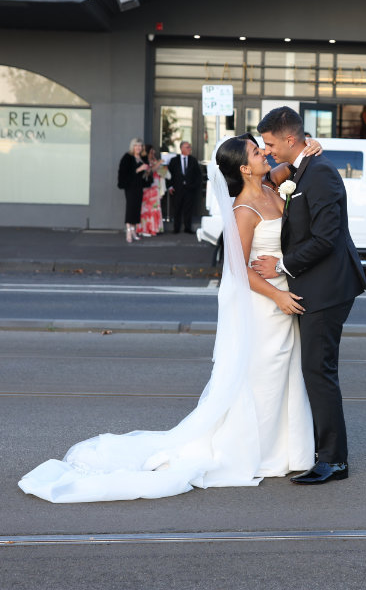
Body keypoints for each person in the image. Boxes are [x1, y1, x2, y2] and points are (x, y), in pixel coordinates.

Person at [18, 135, 325, 503]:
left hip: (281, 296)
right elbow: (237, 269)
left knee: (284, 372)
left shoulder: (273, 185)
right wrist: (276, 294)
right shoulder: (244, 208)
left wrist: (310, 148)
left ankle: (286, 449)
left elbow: (290, 164)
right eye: (258, 152)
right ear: (244, 168)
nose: (266, 154)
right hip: (265, 303)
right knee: (263, 376)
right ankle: (258, 450)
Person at [252, 106, 366, 485]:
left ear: (290, 139)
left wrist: (283, 266)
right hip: (314, 285)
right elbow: (273, 179)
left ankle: (333, 461)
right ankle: (324, 453)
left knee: (319, 372)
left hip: (328, 288)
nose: (266, 150)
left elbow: (326, 238)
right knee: (315, 371)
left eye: (270, 144)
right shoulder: (302, 167)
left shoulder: (320, 175)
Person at [116, 137, 152, 243]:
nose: (138, 148)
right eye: (136, 145)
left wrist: (147, 171)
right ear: (133, 146)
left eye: (140, 146)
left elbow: (145, 175)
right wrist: (139, 169)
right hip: (130, 186)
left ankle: (133, 231)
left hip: (139, 186)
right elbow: (124, 173)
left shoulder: (143, 157)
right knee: (130, 208)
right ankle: (128, 231)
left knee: (136, 209)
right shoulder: (127, 157)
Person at [167, 141, 202, 234]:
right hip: (177, 189)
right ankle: (176, 228)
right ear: (181, 148)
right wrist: (170, 186)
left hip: (189, 189)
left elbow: (198, 175)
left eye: (189, 147)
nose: (189, 149)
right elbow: (169, 174)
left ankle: (187, 228)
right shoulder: (174, 160)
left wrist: (194, 186)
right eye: (187, 147)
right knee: (177, 209)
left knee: (188, 210)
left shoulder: (193, 160)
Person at [136, 145, 165, 237]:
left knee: (155, 208)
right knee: (146, 209)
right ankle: (144, 229)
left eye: (154, 152)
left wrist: (164, 167)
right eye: (151, 152)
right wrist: (158, 164)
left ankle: (154, 228)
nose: (153, 154)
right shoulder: (144, 161)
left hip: (156, 187)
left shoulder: (155, 160)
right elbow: (149, 171)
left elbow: (163, 172)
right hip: (147, 187)